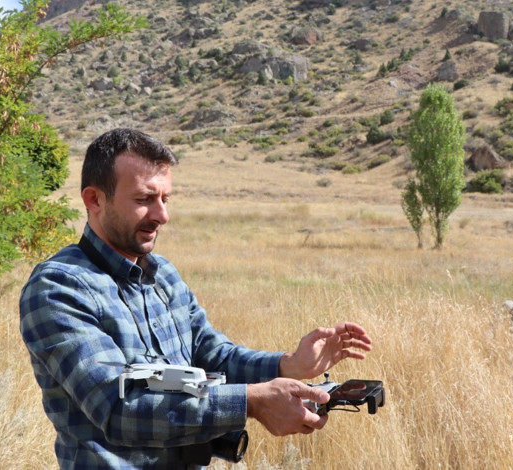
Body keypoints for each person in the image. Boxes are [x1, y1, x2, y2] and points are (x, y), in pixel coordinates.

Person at [19, 128, 372, 469]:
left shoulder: (163, 276)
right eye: (144, 200)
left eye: (165, 199)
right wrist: (251, 402)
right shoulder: (59, 288)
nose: (162, 216)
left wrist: (289, 365)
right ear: (94, 199)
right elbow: (118, 409)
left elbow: (212, 355)